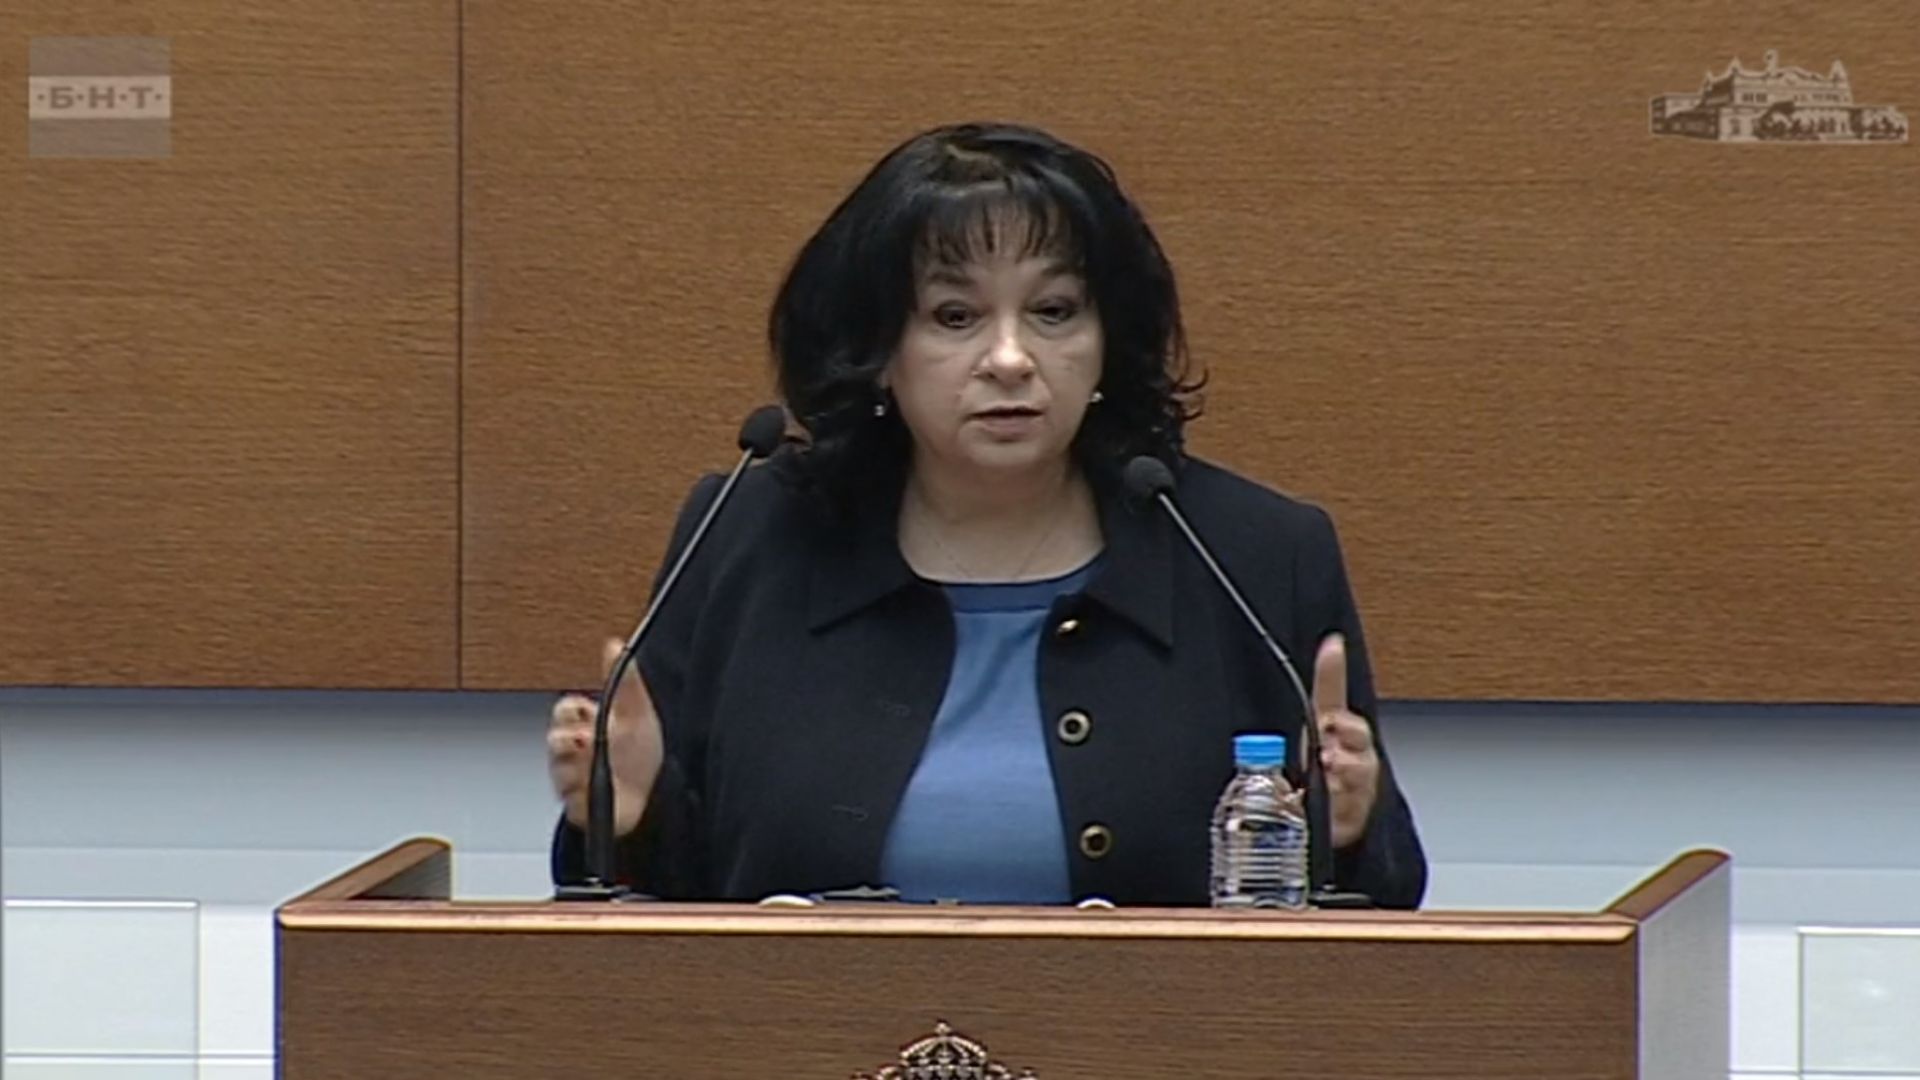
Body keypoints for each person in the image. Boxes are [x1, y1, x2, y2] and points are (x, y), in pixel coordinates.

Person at [548, 121, 1426, 908]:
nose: (1010, 358)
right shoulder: (750, 535)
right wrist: (628, 814)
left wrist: (1348, 833)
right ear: (878, 349)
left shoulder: (1255, 554)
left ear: (1107, 340)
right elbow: (663, 909)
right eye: (956, 315)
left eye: (1053, 311)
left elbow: (1375, 920)